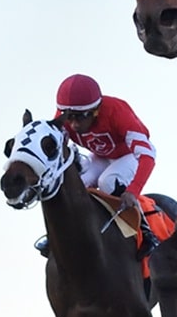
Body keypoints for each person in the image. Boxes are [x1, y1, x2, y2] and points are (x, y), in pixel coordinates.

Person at [34, 73, 160, 261]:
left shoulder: (117, 111)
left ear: (95, 110)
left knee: (108, 181)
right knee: (73, 187)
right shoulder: (64, 120)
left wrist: (133, 191)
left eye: (80, 117)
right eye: (70, 118)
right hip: (102, 156)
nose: (74, 125)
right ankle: (57, 236)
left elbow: (147, 155)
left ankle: (146, 232)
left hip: (130, 155)